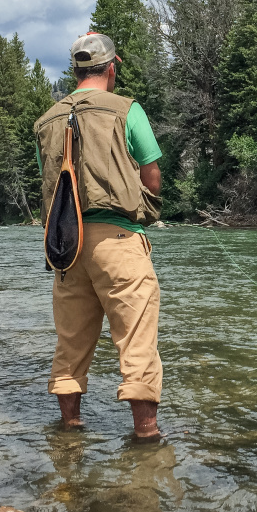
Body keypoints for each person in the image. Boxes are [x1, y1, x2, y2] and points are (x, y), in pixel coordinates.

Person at [33, 32, 163, 439]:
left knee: (70, 343)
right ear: (112, 66)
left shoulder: (46, 121)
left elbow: (50, 178)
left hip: (65, 247)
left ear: (75, 70)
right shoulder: (127, 110)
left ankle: (70, 430)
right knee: (136, 340)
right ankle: (146, 436)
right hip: (119, 240)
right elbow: (152, 175)